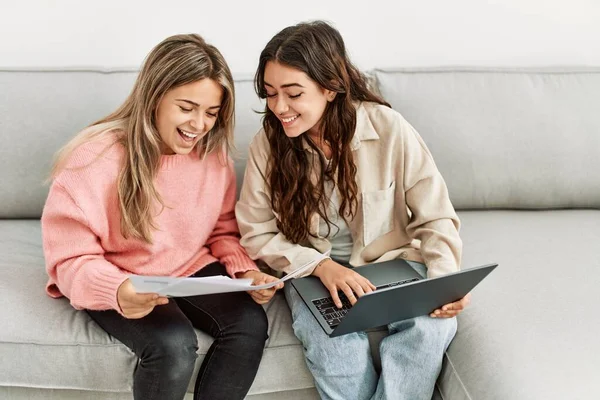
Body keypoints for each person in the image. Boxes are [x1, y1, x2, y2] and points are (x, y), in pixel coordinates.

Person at [235, 21, 470, 400]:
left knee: (431, 329)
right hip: (312, 270)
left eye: (293, 93)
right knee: (331, 343)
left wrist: (445, 281)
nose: (279, 107)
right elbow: (256, 231)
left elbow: (436, 216)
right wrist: (322, 267)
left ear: (329, 87)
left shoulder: (388, 128)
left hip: (392, 263)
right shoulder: (268, 144)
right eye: (270, 93)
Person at [41, 33, 283, 400]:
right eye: (187, 107)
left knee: (249, 324)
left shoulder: (211, 155)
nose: (200, 124)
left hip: (188, 268)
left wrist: (244, 271)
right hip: (120, 274)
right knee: (173, 346)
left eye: (211, 112)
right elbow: (70, 260)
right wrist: (117, 290)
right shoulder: (92, 158)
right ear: (154, 97)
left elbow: (221, 230)